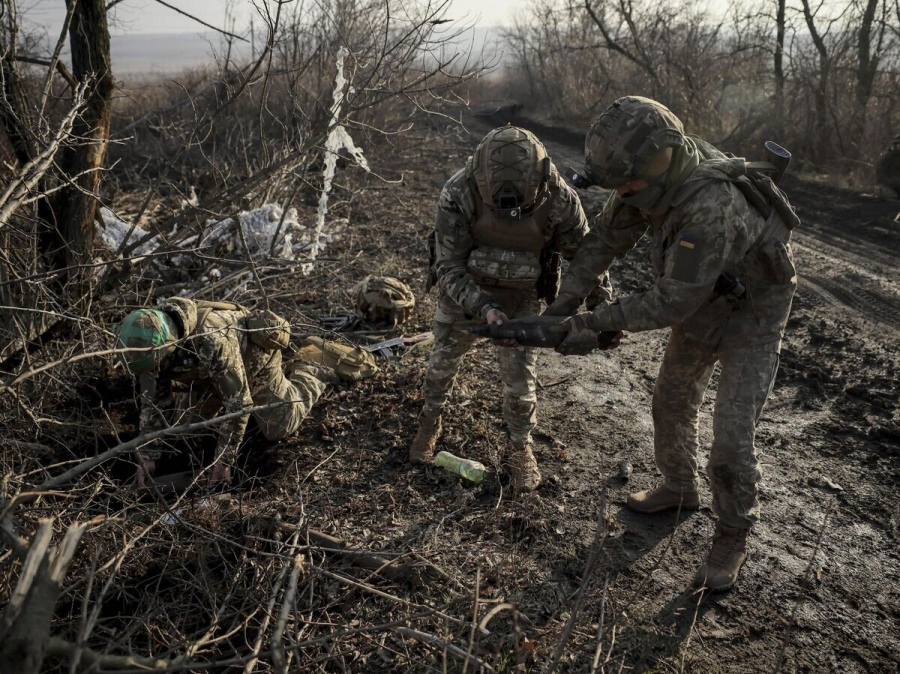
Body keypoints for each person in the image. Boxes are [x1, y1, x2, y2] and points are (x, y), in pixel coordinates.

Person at [545, 96, 798, 591]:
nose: (624, 193)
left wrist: (589, 323)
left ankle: (732, 534)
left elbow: (669, 303)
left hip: (753, 314)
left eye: (628, 184)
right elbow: (604, 240)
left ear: (658, 161)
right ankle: (679, 488)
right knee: (672, 401)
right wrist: (563, 304)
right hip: (706, 296)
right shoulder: (648, 176)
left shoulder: (710, 206)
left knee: (731, 438)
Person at [409, 124, 610, 491]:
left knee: (520, 382)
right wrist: (484, 307)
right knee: (440, 366)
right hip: (465, 292)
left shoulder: (558, 198)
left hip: (523, 295)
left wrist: (603, 309)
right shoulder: (460, 191)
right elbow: (448, 266)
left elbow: (586, 259)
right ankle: (429, 421)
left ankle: (520, 447)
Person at [115, 298, 329, 487]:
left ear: (168, 350)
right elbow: (154, 402)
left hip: (252, 359)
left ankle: (312, 363)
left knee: (281, 425)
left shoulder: (212, 340)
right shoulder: (149, 341)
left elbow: (240, 405)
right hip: (208, 373)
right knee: (185, 430)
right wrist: (147, 455)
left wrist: (223, 461)